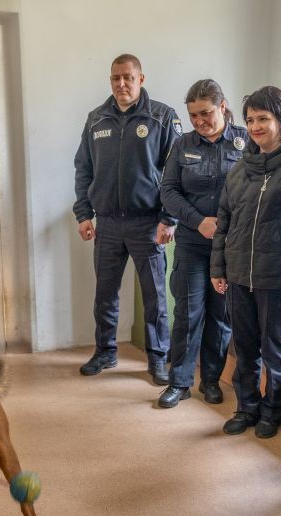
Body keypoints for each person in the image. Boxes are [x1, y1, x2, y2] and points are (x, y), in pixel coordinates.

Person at [73, 54, 182, 385]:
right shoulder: (96, 120)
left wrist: (169, 219)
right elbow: (83, 168)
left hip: (147, 223)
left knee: (154, 297)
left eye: (128, 78)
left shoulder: (162, 117)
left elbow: (176, 172)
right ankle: (106, 351)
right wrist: (83, 213)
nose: (121, 84)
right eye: (115, 78)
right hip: (106, 223)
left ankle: (158, 358)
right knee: (105, 294)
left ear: (141, 79)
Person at [210, 86, 281, 437]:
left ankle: (271, 412)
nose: (256, 126)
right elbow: (224, 222)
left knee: (273, 347)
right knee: (243, 346)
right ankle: (246, 406)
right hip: (238, 274)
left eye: (264, 118)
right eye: (250, 120)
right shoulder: (239, 169)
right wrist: (218, 268)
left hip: (276, 276)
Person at [156, 79, 245, 409]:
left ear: (222, 106)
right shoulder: (182, 145)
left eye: (205, 113)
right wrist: (198, 220)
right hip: (193, 243)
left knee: (220, 317)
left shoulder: (245, 142)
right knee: (188, 314)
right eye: (193, 115)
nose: (199, 121)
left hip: (230, 247)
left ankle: (210, 380)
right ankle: (179, 381)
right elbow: (168, 191)